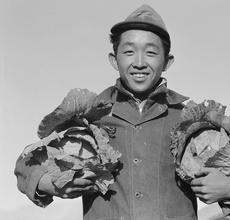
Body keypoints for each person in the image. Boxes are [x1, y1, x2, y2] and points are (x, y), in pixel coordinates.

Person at [14, 4, 230, 220]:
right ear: (113, 59)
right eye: (128, 51)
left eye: (151, 53)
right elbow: (27, 163)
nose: (139, 62)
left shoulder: (191, 123)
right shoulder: (90, 117)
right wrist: (48, 182)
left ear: (167, 61)